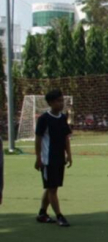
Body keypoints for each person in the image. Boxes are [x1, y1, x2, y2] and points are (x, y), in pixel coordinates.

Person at [35, 89, 73, 227]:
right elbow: (38, 139)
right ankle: (59, 216)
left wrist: (68, 154)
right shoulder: (44, 119)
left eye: (62, 100)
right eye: (58, 101)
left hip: (59, 159)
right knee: (52, 188)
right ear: (50, 103)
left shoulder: (63, 118)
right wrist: (38, 157)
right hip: (47, 160)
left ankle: (42, 213)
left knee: (52, 187)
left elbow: (66, 137)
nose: (61, 103)